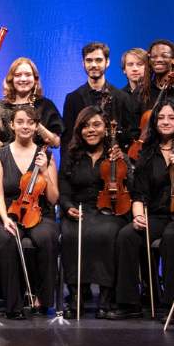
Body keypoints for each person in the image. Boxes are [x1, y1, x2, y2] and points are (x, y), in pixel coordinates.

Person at [116, 100, 174, 323]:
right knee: (127, 235)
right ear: (154, 122)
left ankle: (172, 304)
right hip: (157, 214)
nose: (166, 122)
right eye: (161, 118)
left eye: (171, 117)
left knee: (172, 236)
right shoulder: (147, 152)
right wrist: (138, 215)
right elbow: (139, 194)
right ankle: (130, 304)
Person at [0, 105, 61, 318]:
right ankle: (14, 304)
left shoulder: (45, 156)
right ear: (12, 125)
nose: (25, 126)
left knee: (47, 237)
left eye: (30, 122)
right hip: (7, 213)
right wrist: (4, 218)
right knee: (9, 238)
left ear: (37, 126)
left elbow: (53, 198)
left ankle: (42, 299)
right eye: (20, 122)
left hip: (40, 213)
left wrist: (46, 171)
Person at [58, 107, 129, 319]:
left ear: (106, 129)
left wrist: (124, 162)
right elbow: (63, 188)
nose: (90, 130)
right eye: (85, 126)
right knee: (71, 234)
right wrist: (67, 206)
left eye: (96, 125)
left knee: (107, 234)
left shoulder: (115, 155)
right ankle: (76, 296)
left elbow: (130, 184)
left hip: (109, 209)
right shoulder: (71, 155)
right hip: (79, 209)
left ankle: (106, 300)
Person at [61, 42, 135, 150]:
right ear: (83, 63)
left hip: (114, 163)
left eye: (99, 60)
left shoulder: (122, 97)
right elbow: (67, 140)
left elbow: (129, 136)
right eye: (89, 60)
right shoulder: (72, 98)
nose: (94, 65)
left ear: (107, 62)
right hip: (82, 163)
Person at [0, 57, 63, 148]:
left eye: (28, 75)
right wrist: (1, 146)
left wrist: (34, 123)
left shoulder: (45, 105)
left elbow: (55, 143)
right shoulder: (1, 107)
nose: (23, 79)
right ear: (11, 79)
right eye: (18, 75)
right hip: (4, 160)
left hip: (37, 160)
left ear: (35, 79)